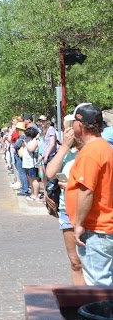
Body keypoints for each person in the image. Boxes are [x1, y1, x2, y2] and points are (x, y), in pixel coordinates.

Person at [65, 103, 113, 286]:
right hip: (104, 227)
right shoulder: (104, 147)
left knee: (98, 286)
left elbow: (87, 191)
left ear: (80, 124)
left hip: (96, 229)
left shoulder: (91, 152)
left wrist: (78, 224)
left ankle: (102, 315)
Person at [44, 115, 84, 285]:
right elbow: (50, 173)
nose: (68, 132)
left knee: (91, 262)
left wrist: (72, 186)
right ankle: (80, 303)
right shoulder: (67, 153)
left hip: (88, 210)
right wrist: (65, 147)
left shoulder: (92, 150)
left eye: (71, 128)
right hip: (67, 210)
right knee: (75, 262)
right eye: (66, 129)